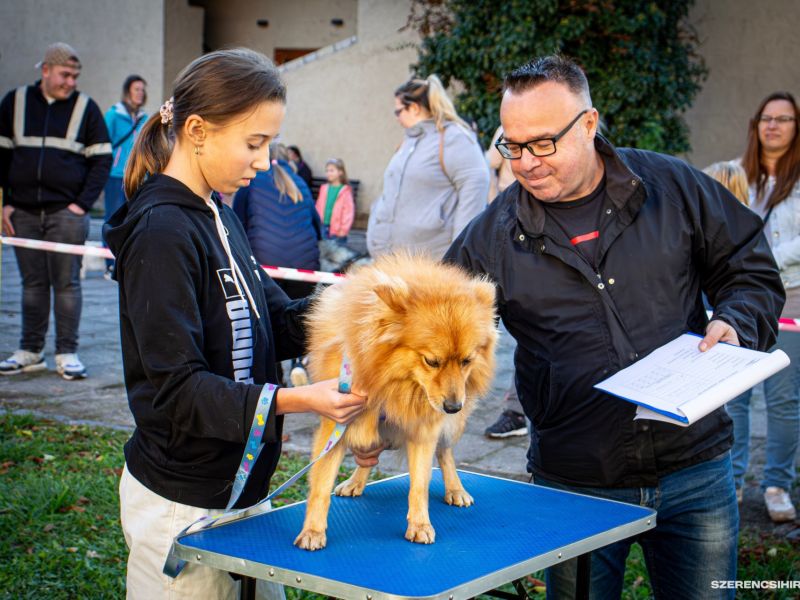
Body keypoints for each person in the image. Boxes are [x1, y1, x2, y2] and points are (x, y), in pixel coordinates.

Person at [444, 56, 784, 599]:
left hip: (695, 469)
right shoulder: (491, 236)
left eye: (542, 143)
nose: (526, 163)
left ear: (588, 123)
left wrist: (736, 323)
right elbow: (431, 328)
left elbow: (749, 268)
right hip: (575, 481)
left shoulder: (671, 186)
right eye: (513, 145)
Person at [103, 48, 367, 598]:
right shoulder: (162, 233)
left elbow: (275, 320)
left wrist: (360, 305)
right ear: (197, 130)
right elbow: (176, 391)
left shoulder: (218, 213)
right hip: (183, 507)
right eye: (254, 143)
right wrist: (302, 400)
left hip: (244, 494)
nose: (266, 161)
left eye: (269, 142)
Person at [0, 42, 111, 380]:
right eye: (65, 74)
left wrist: (80, 205)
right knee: (32, 285)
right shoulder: (15, 102)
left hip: (67, 213)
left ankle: (67, 352)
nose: (71, 82)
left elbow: (102, 158)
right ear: (45, 70)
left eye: (75, 76)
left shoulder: (86, 108)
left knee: (66, 286)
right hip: (23, 213)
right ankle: (30, 351)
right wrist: (4, 202)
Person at [726, 91, 800, 522]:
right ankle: (732, 481)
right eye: (765, 118)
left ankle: (776, 485)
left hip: (790, 296)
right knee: (734, 397)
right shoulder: (734, 174)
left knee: (784, 397)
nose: (772, 126)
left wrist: (763, 256)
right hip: (738, 295)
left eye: (784, 119)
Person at [366, 74, 489, 260]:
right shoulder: (409, 141)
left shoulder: (454, 138)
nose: (397, 118)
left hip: (429, 264)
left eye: (398, 111)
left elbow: (475, 188)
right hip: (394, 262)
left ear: (414, 108)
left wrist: (459, 252)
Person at [233, 143, 321, 300]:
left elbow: (237, 224)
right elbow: (317, 227)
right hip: (305, 268)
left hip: (265, 267)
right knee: (296, 317)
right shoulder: (300, 183)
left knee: (268, 318)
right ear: (289, 160)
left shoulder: (251, 182)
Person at [103, 74, 148, 276]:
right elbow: (103, 144)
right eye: (136, 89)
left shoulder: (144, 119)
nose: (140, 93)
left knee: (133, 218)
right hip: (114, 175)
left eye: (142, 89)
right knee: (113, 217)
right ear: (127, 91)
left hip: (136, 176)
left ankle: (127, 259)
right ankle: (110, 263)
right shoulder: (114, 115)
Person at [316, 157, 354, 244]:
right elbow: (318, 206)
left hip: (337, 231)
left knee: (337, 254)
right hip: (322, 227)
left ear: (340, 172)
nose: (328, 173)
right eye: (327, 171)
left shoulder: (345, 191)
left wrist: (344, 230)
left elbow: (348, 212)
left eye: (331, 170)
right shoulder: (324, 188)